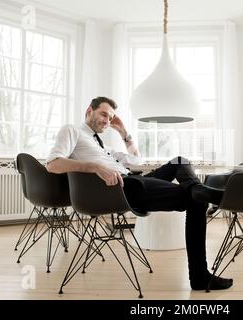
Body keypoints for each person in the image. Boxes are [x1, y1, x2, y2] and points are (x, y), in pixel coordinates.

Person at [46, 96, 232, 290]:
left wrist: (123, 132)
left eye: (110, 118)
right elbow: (53, 164)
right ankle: (200, 275)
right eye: (103, 114)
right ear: (89, 110)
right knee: (196, 201)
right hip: (123, 189)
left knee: (180, 161)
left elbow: (136, 161)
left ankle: (198, 190)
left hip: (135, 181)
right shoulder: (72, 130)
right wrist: (95, 167)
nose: (107, 121)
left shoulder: (101, 145)